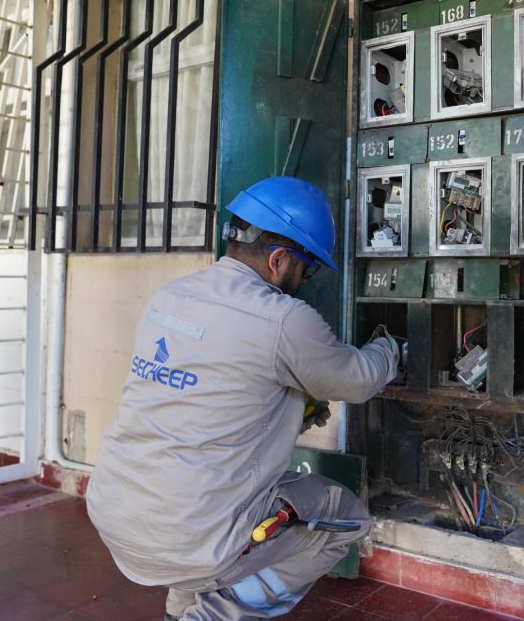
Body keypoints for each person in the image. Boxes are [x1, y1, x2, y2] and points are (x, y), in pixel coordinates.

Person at [86, 176, 399, 620]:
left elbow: (207, 395)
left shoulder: (170, 296)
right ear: (278, 259)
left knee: (196, 497)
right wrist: (390, 346)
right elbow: (359, 381)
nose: (303, 281)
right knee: (345, 519)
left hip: (116, 513)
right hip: (189, 537)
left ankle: (179, 610)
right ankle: (217, 615)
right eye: (306, 270)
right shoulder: (283, 318)